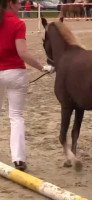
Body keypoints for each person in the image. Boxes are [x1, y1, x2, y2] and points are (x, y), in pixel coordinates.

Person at [0, 0, 54, 171]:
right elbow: (22, 53)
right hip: (15, 73)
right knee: (16, 116)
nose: (21, 6)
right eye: (19, 3)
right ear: (10, 3)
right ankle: (18, 159)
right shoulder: (17, 24)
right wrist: (43, 67)